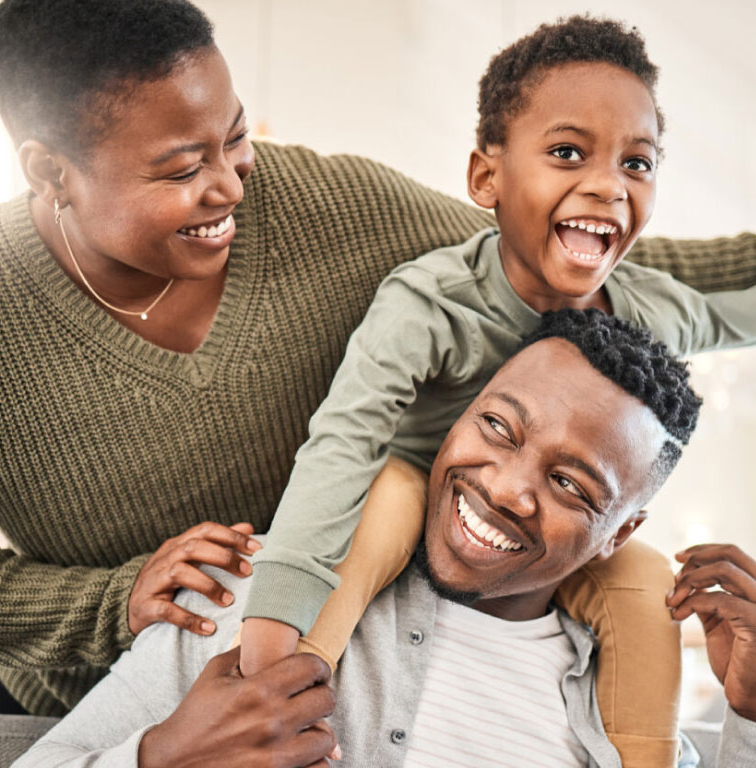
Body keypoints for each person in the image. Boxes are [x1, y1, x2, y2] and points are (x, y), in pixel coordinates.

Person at [0, 0, 753, 722]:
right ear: (51, 172)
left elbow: (556, 246)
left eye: (236, 138)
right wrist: (108, 604)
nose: (230, 184)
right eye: (184, 169)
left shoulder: (334, 207)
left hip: (346, 679)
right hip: (83, 708)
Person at [235, 16, 756, 768]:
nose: (609, 183)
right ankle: (279, 699)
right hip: (422, 504)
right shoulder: (431, 302)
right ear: (487, 178)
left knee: (645, 578)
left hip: (533, 547)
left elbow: (729, 315)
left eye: (636, 164)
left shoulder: (650, 310)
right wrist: (270, 626)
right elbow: (342, 442)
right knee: (386, 493)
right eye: (569, 153)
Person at [11, 310, 756, 767]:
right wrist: (164, 759)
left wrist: (750, 711)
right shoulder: (267, 597)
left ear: (619, 534)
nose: (504, 488)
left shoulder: (625, 700)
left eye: (571, 484)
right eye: (498, 427)